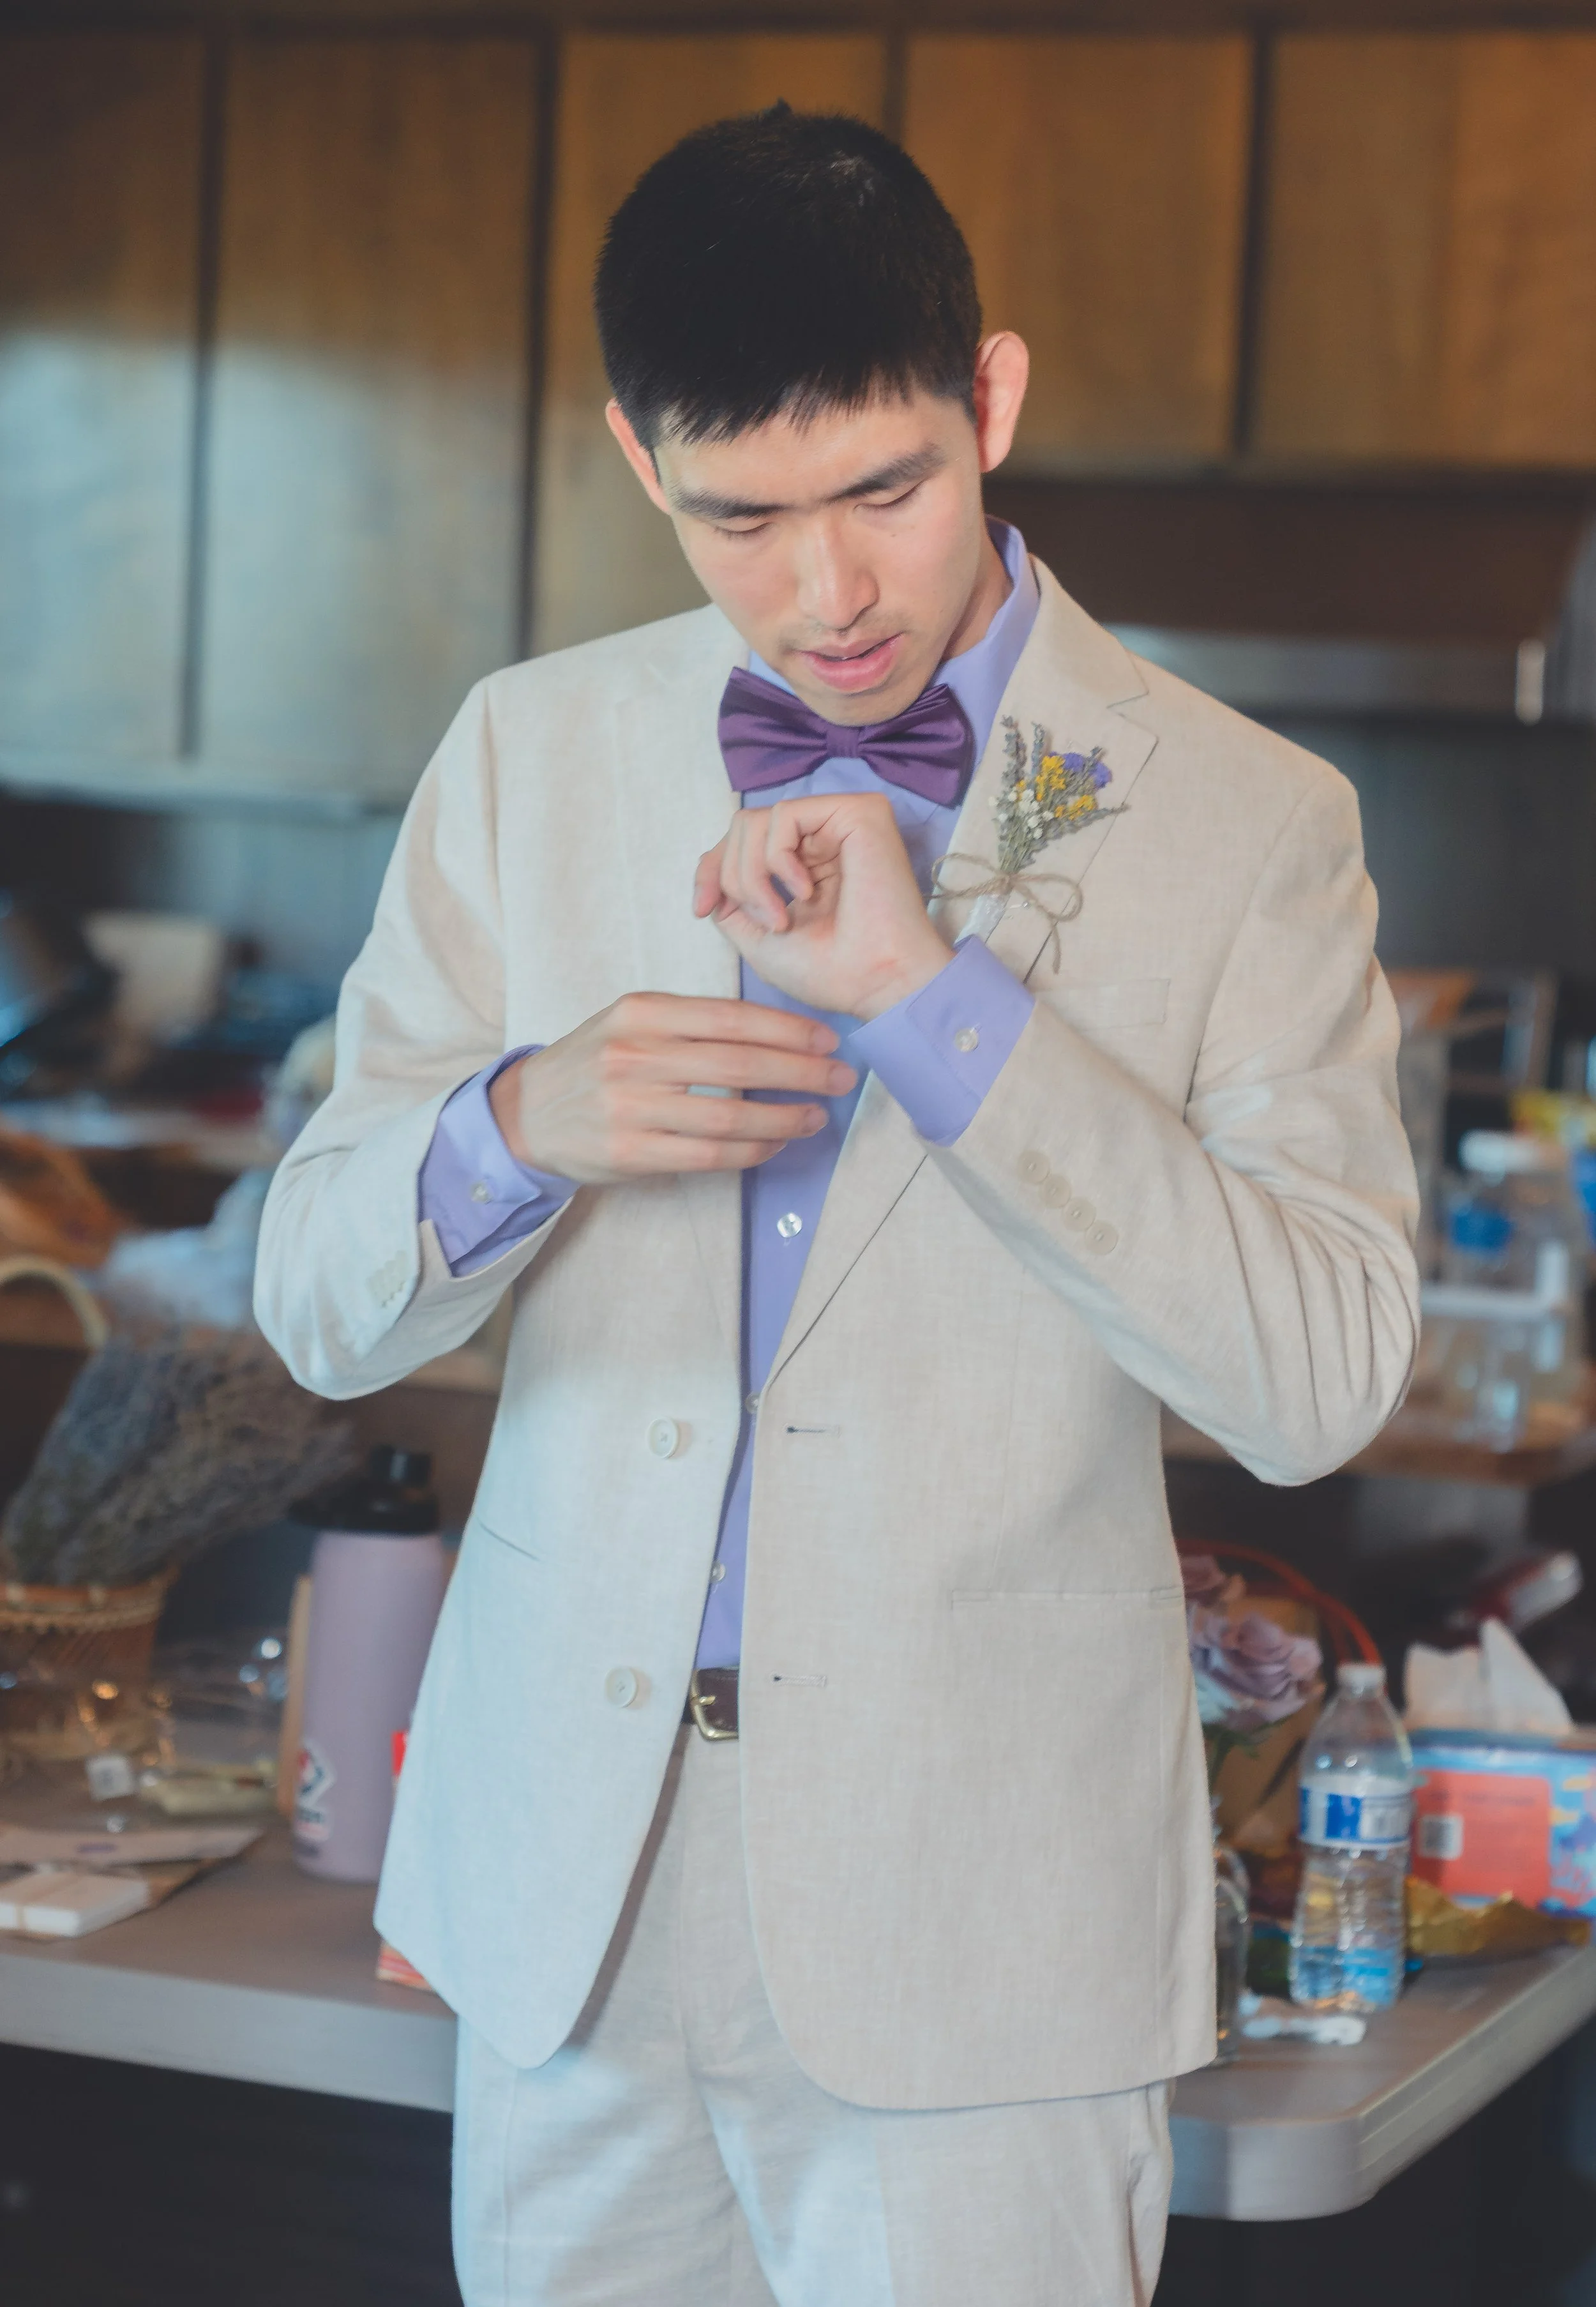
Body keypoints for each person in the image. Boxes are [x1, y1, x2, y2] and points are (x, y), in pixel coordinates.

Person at [256, 106, 1419, 2307]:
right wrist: (518, 1120)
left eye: (884, 489)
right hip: (565, 1901)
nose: (828, 595)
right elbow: (312, 1301)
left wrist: (934, 1008)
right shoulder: (518, 752)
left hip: (983, 1930)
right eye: (741, 517)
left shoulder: (1252, 822)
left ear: (990, 396)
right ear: (638, 459)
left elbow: (1320, 1382)